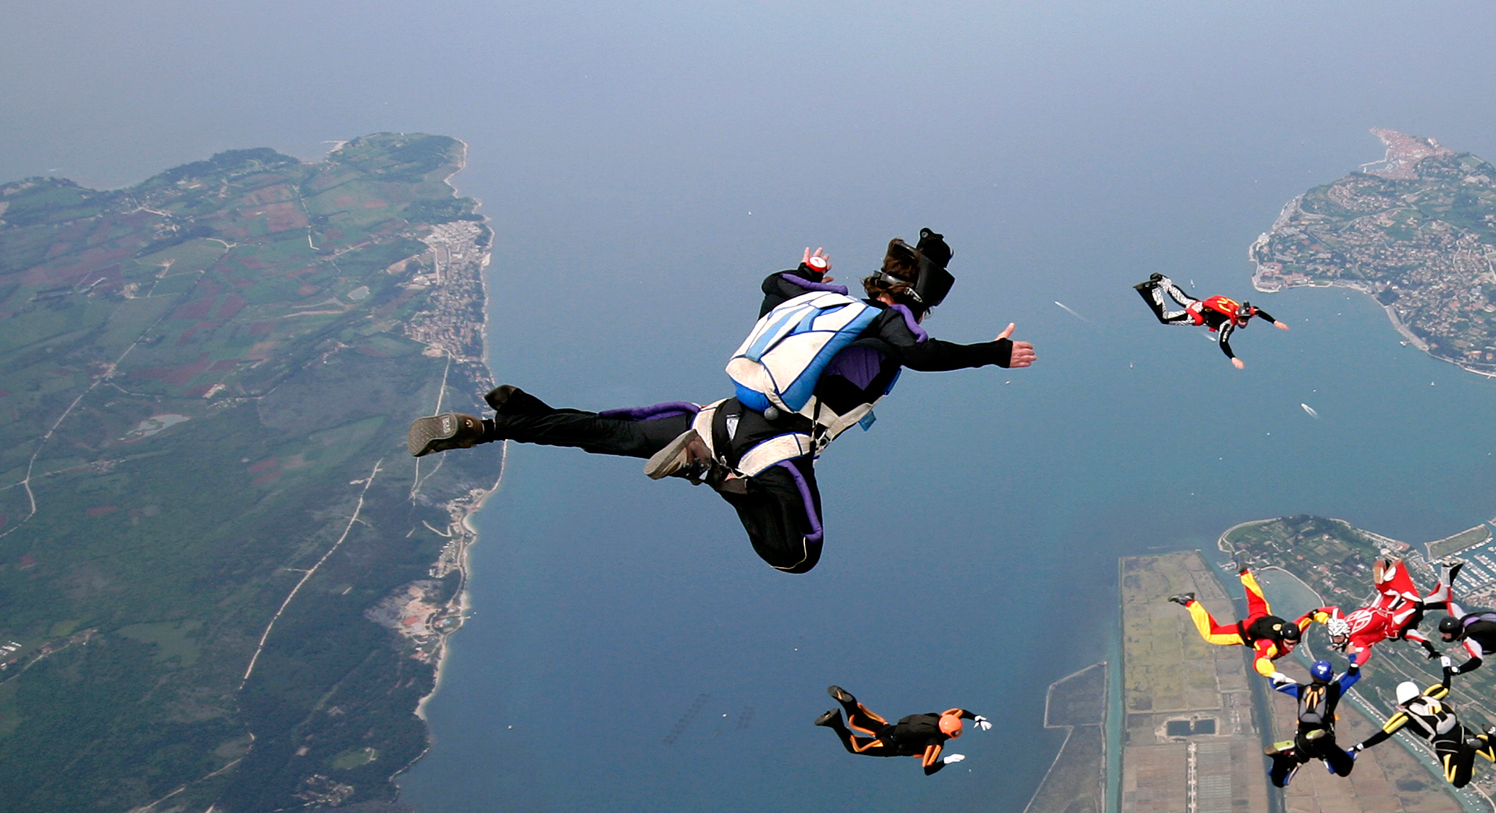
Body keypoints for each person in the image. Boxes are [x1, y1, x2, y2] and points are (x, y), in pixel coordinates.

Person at [403, 234, 1036, 574]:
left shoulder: (817, 304)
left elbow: (772, 290)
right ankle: (708, 473)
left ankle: (487, 425)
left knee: (601, 430)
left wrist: (807, 271)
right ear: (918, 302)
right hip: (768, 450)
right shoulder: (887, 323)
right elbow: (920, 353)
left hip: (716, 416)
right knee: (798, 554)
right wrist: (992, 353)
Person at [1353, 678, 1496, 788]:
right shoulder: (1431, 696)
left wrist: (1359, 747)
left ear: (1401, 703)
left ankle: (1468, 749)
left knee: (1457, 780)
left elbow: (1384, 733)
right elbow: (1445, 686)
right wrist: (1447, 669)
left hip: (1444, 743)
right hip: (1462, 731)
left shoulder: (1405, 716)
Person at [1175, 566, 1330, 676]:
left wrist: (1327, 621)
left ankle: (1244, 571)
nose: (1291, 647)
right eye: (1288, 644)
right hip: (1246, 631)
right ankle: (1189, 602)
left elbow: (1313, 614)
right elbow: (1260, 663)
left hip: (1262, 617)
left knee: (1256, 599)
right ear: (1282, 637)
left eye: (1294, 643)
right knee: (1210, 634)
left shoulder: (1296, 628)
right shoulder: (1270, 646)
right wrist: (1273, 674)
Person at [818, 684, 990, 774]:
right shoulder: (935, 743)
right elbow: (928, 769)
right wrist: (947, 760)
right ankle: (835, 723)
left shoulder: (938, 717)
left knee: (859, 719)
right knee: (855, 748)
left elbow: (959, 712)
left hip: (890, 729)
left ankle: (848, 703)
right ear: (948, 733)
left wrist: (976, 717)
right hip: (891, 746)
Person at [1331, 555, 1463, 667]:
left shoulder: (1405, 630)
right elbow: (1422, 640)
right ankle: (1387, 571)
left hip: (1415, 607)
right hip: (1408, 607)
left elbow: (1422, 640)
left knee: (1443, 597)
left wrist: (1432, 651)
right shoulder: (1404, 630)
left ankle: (1446, 567)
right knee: (1443, 597)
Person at [1133, 272, 1287, 367]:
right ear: (1237, 317)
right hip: (1197, 316)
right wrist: (1232, 358)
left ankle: (1161, 280)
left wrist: (1275, 322)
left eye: (1245, 320)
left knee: (1181, 298)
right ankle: (1151, 290)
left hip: (1200, 305)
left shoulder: (1244, 310)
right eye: (1242, 320)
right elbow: (1223, 342)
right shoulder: (1228, 324)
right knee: (1165, 318)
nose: (1244, 322)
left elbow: (1259, 312)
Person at [1266, 658, 1362, 788]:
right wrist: (1353, 664)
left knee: (1278, 782)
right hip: (1323, 742)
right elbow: (1353, 676)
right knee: (1345, 769)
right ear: (1330, 675)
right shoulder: (1334, 690)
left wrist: (1268, 664)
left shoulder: (1301, 690)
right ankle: (1320, 739)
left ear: (1311, 675)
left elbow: (1275, 684)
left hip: (1302, 741)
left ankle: (1279, 758)